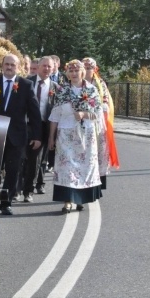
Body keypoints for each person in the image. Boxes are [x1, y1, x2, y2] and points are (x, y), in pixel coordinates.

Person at [48, 59, 103, 213]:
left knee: (84, 168)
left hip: (86, 135)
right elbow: (54, 116)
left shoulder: (91, 90)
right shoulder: (62, 91)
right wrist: (51, 138)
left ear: (82, 72)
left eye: (76, 71)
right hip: (65, 135)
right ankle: (67, 201)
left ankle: (81, 200)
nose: (73, 74)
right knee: (66, 168)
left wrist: (83, 114)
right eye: (70, 71)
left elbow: (97, 114)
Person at [0, 54, 42, 215]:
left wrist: (37, 136)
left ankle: (6, 201)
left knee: (13, 170)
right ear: (2, 65)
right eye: (7, 64)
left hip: (17, 135)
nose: (9, 67)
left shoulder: (26, 85)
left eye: (13, 65)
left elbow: (34, 112)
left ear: (18, 67)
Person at [21, 56, 60, 201]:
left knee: (35, 160)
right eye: (44, 66)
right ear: (38, 67)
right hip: (26, 125)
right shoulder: (27, 83)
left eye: (49, 67)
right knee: (21, 157)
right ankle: (18, 188)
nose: (46, 69)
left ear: (53, 68)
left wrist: (53, 135)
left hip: (44, 126)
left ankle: (28, 191)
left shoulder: (55, 88)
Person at [83, 57, 119, 188]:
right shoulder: (76, 82)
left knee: (100, 150)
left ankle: (99, 180)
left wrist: (99, 108)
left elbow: (105, 100)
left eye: (89, 68)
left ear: (94, 69)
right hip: (81, 121)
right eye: (85, 68)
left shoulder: (100, 83)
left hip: (98, 121)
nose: (87, 71)